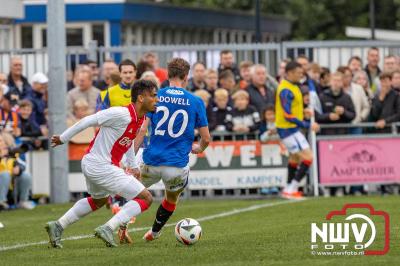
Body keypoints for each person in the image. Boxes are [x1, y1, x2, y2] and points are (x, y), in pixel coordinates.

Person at [45, 79, 158, 248]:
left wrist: (133, 165)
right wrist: (63, 138)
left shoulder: (140, 119)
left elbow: (127, 141)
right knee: (146, 198)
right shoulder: (121, 113)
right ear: (141, 98)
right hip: (100, 165)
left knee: (98, 200)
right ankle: (108, 228)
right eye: (154, 96)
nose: (157, 99)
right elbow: (88, 120)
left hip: (93, 163)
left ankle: (58, 225)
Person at [134, 58, 211, 242]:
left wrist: (129, 157)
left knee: (133, 191)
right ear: (186, 77)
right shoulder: (196, 101)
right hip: (176, 164)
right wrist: (199, 147)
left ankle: (122, 223)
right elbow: (206, 138)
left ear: (168, 75)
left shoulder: (156, 96)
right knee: (171, 198)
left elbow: (143, 129)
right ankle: (154, 233)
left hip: (151, 160)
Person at [275, 61, 319, 199]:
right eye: (299, 73)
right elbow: (287, 114)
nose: (301, 75)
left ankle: (289, 189)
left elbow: (293, 109)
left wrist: (303, 112)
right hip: (287, 130)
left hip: (292, 129)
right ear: (289, 73)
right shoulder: (285, 90)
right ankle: (292, 187)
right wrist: (306, 124)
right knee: (308, 157)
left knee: (294, 158)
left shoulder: (293, 86)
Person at [317, 72, 356, 136]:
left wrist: (344, 112)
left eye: (339, 81)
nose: (336, 83)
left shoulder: (347, 97)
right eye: (334, 80)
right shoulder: (322, 96)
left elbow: (353, 115)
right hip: (326, 135)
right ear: (330, 82)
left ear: (342, 83)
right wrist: (328, 116)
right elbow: (317, 116)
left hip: (343, 134)